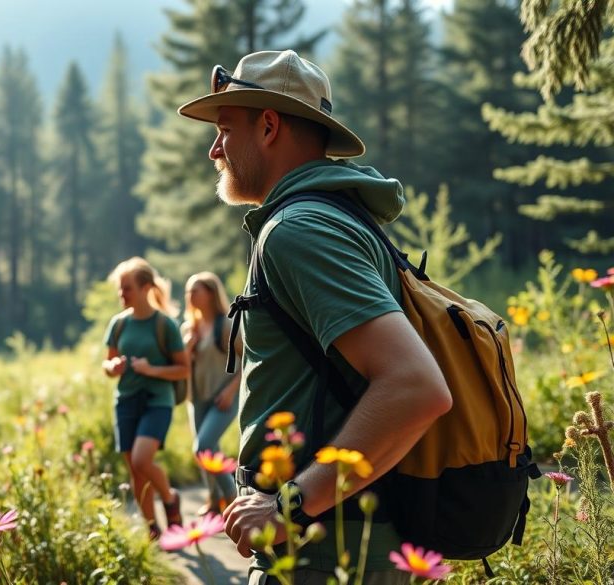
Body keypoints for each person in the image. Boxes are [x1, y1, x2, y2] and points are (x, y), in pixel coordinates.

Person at [177, 50, 453, 584]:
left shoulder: (300, 230)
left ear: (269, 125)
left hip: (325, 557)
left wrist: (289, 507)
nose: (214, 149)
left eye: (225, 129)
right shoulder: (335, 217)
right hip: (336, 545)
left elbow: (416, 386)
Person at [101, 257, 189, 541]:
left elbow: (184, 368)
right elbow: (108, 364)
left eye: (126, 288)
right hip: (126, 401)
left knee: (142, 460)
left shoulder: (165, 325)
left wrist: (151, 369)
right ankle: (152, 529)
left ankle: (170, 497)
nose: (121, 294)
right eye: (120, 288)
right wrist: (113, 368)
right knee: (135, 471)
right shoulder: (118, 324)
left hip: (157, 401)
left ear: (145, 288)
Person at [181, 271, 242, 515]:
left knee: (203, 445)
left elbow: (248, 359)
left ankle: (233, 498)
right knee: (206, 450)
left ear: (210, 293)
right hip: (197, 397)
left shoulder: (226, 325)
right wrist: (187, 347)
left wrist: (231, 391)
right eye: (188, 291)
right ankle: (214, 502)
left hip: (224, 396)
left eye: (196, 290)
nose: (190, 295)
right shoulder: (189, 328)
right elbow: (183, 366)